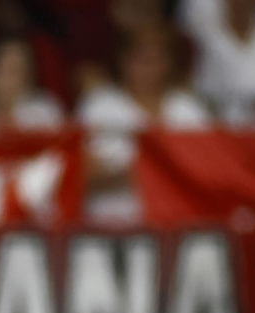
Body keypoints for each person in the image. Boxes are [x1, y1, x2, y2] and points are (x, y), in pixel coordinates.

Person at [78, 26, 212, 224]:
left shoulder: (189, 110)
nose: (148, 69)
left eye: (156, 60)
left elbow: (209, 173)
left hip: (178, 225)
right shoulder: (99, 107)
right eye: (141, 59)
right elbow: (78, 175)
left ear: (168, 63)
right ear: (124, 60)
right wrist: (144, 169)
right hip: (111, 227)